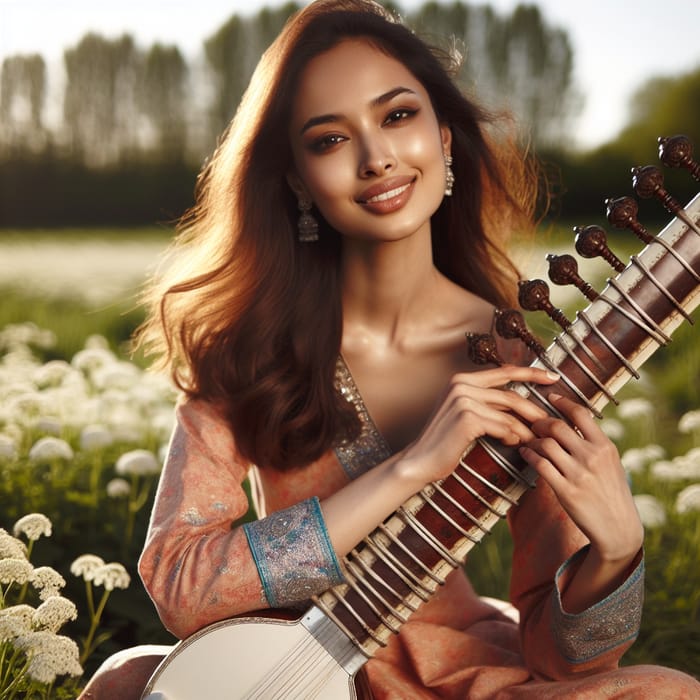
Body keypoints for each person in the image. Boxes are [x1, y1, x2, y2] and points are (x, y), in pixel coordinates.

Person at [79, 0, 700, 697]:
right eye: (329, 140)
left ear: (443, 137)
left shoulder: (519, 361)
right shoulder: (251, 352)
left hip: (454, 680)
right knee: (124, 681)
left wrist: (616, 551)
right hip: (277, 678)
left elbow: (564, 664)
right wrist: (410, 470)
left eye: (398, 116)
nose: (376, 159)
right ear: (295, 179)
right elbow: (182, 589)